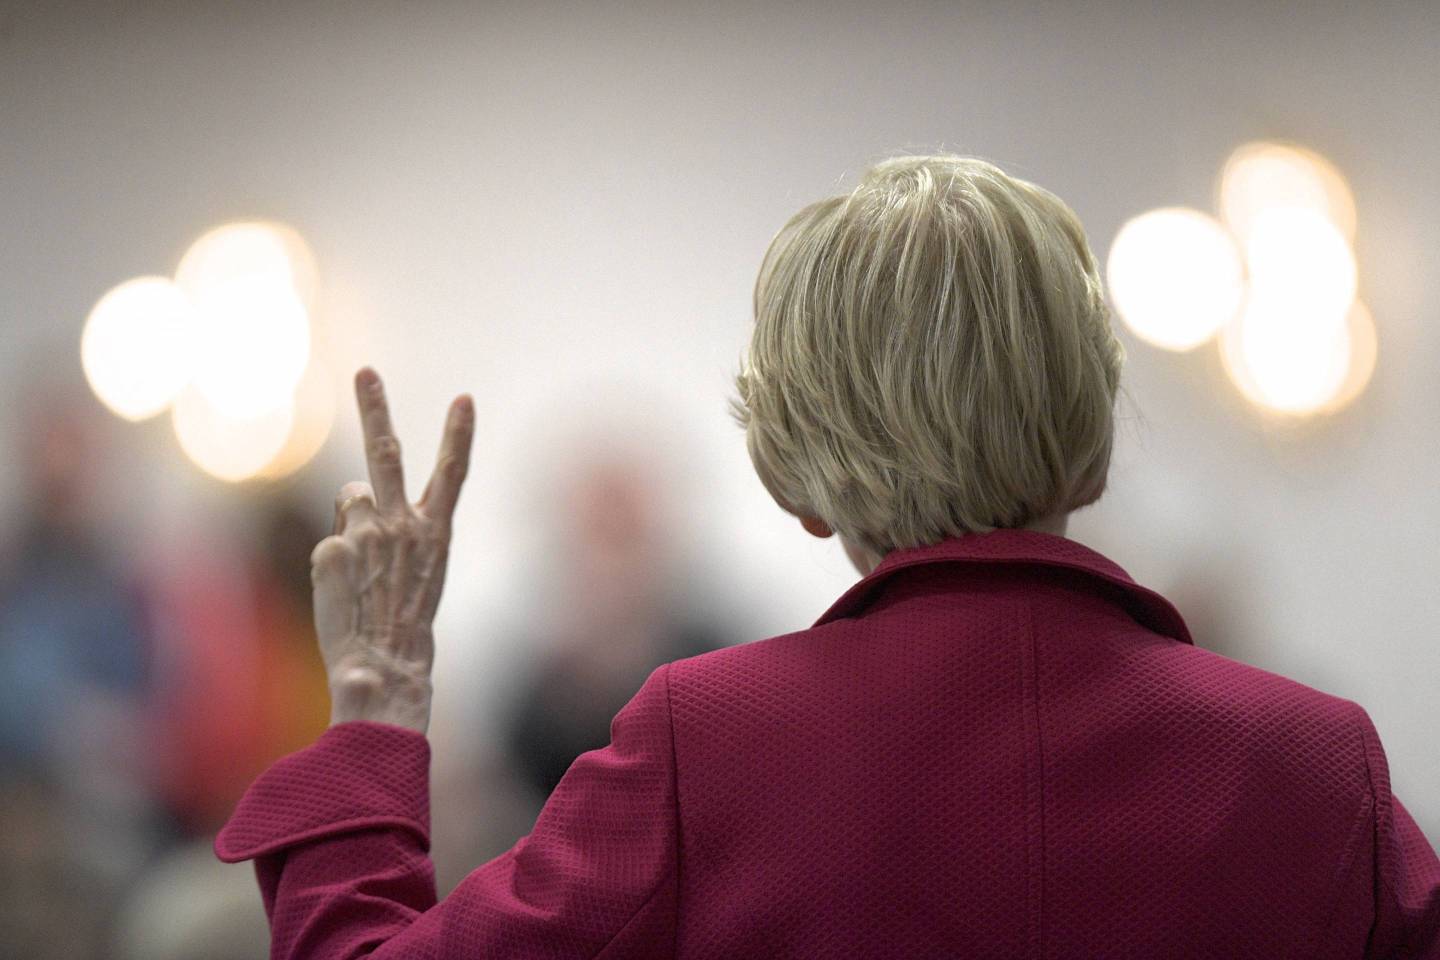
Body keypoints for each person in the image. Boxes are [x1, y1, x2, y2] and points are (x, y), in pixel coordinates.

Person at [215, 155, 1440, 957]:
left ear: (794, 477)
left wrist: (376, 703)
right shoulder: (1318, 762)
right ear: (1092, 449)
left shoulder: (707, 744)